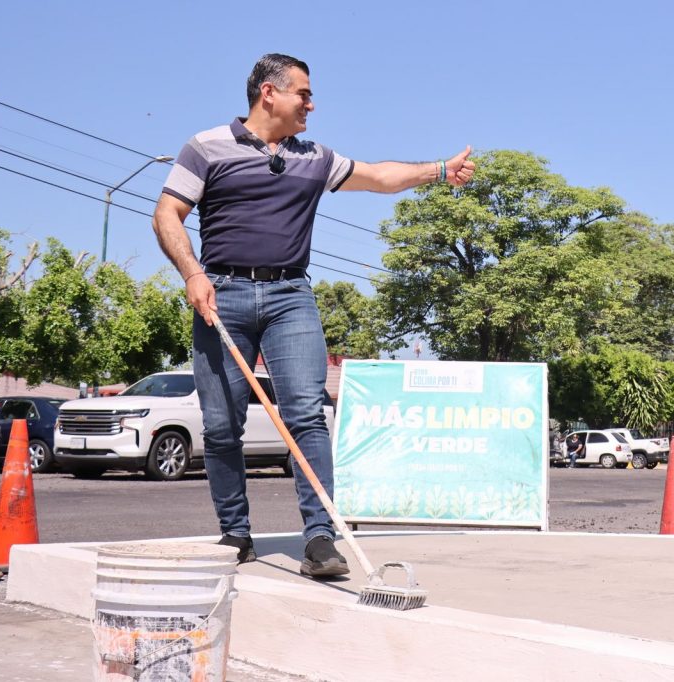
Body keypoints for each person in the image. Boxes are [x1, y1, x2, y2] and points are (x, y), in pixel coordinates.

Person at [152, 53, 475, 578]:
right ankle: (235, 533)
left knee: (306, 414)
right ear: (269, 93)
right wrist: (192, 273)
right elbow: (167, 212)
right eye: (303, 93)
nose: (311, 104)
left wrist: (438, 171)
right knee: (221, 424)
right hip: (223, 294)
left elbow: (379, 177)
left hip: (290, 297)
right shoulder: (206, 146)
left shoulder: (314, 157)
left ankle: (321, 539)